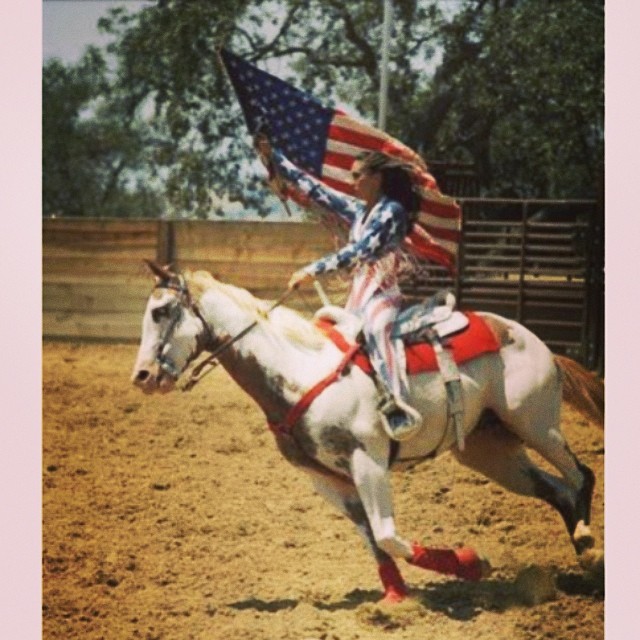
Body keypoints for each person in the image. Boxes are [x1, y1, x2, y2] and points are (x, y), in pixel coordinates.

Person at [254, 135, 423, 441]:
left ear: (377, 178)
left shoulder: (392, 211)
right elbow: (317, 190)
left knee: (375, 329)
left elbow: (360, 250)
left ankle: (398, 404)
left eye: (357, 175)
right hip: (361, 290)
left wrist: (312, 270)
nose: (351, 180)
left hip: (383, 292)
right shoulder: (361, 210)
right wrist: (275, 157)